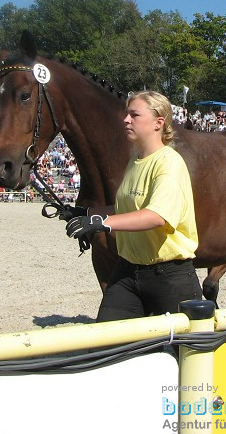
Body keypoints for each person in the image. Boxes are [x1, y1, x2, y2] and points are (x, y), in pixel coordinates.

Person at [66, 90, 203, 321]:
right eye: (127, 114)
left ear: (159, 122)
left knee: (186, 353)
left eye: (134, 115)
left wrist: (101, 223)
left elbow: (156, 216)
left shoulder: (169, 163)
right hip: (128, 272)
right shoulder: (135, 161)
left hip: (170, 277)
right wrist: (87, 213)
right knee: (107, 344)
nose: (126, 120)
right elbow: (128, 210)